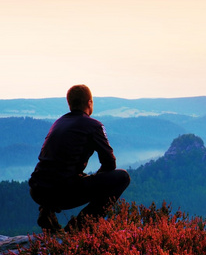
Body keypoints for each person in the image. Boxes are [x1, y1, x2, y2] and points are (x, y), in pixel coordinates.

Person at [29, 85, 130, 232]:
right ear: (89, 103)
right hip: (63, 192)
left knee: (61, 174)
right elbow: (109, 163)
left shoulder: (59, 122)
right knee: (122, 178)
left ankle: (47, 212)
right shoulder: (94, 126)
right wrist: (95, 177)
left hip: (37, 190)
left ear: (69, 103)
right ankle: (77, 228)